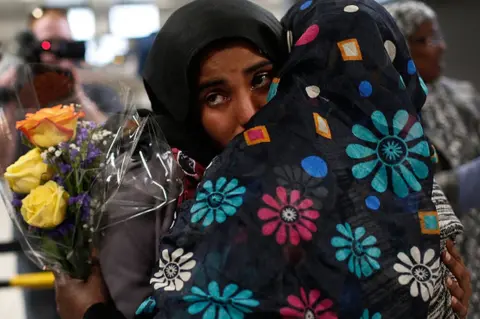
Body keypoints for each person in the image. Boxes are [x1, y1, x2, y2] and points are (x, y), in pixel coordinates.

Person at [54, 0, 471, 318]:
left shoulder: (351, 179)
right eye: (214, 96)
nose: (251, 113)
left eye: (262, 80)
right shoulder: (142, 194)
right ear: (179, 109)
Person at [0, 8, 124, 319]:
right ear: (30, 49)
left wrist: (76, 93)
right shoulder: (15, 99)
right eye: (47, 46)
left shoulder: (98, 95)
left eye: (65, 46)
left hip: (105, 249)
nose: (56, 56)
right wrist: (9, 99)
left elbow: (121, 151)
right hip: (42, 249)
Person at [386, 2, 479, 317]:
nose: (441, 47)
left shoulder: (462, 96)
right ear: (399, 48)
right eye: (426, 40)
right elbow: (397, 193)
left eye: (437, 35)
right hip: (439, 245)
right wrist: (464, 183)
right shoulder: (390, 108)